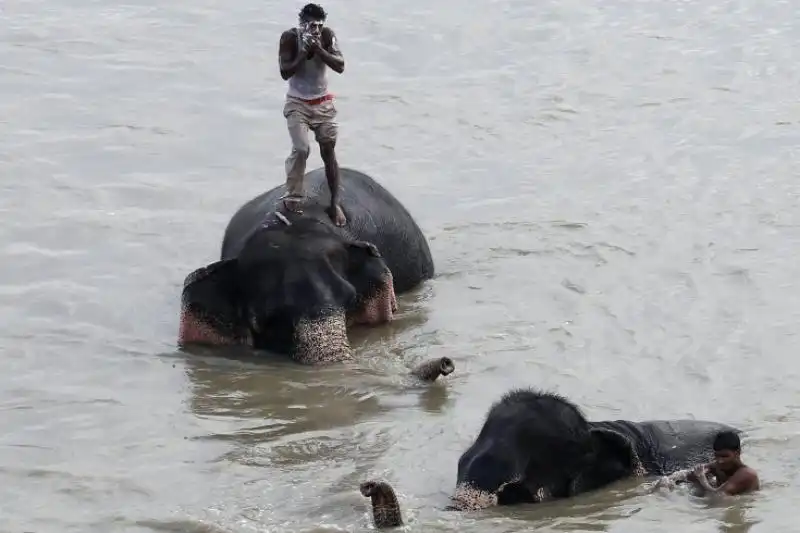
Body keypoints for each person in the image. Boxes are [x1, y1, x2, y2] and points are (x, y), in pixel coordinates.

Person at [278, 3, 347, 226]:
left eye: (318, 25)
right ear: (301, 24)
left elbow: (340, 65)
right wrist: (304, 52)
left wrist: (319, 50)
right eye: (310, 25)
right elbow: (284, 72)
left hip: (323, 103)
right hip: (298, 102)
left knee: (328, 151)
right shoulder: (289, 38)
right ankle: (293, 196)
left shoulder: (327, 36)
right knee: (301, 149)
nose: (315, 30)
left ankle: (334, 202)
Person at [685, 430, 760, 496]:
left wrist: (702, 479)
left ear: (738, 453)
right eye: (716, 456)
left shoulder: (747, 474)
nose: (720, 461)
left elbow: (718, 496)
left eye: (725, 456)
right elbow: (689, 474)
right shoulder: (718, 466)